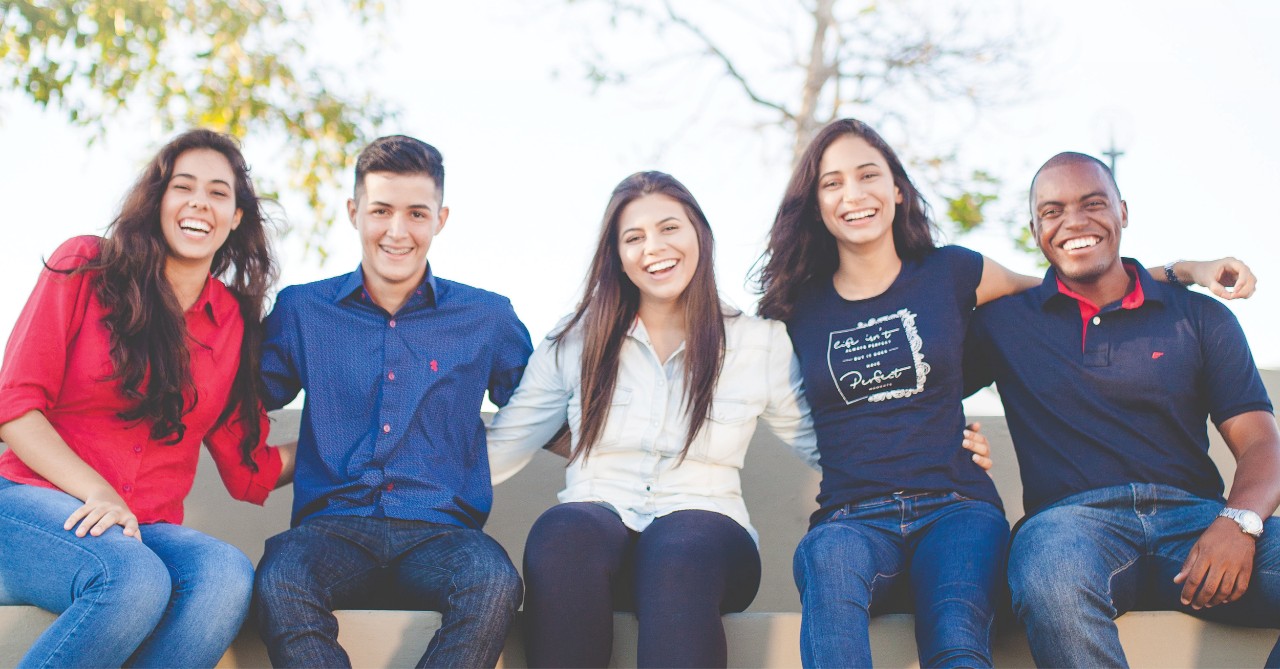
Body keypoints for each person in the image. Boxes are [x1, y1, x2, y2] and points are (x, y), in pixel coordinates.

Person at [753, 118, 1249, 668]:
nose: (854, 193)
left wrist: (1182, 270)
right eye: (832, 182)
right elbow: (776, 400)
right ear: (815, 202)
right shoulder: (795, 308)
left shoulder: (954, 271)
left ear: (897, 188)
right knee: (827, 561)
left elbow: (1070, 284)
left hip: (956, 506)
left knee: (958, 638)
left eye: (868, 174)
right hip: (851, 516)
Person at [485, 170, 995, 668]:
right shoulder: (575, 341)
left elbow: (833, 442)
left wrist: (937, 442)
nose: (653, 248)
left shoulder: (757, 342)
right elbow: (502, 446)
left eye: (669, 228)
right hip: (598, 532)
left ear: (699, 236)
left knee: (677, 548)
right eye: (633, 238)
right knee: (563, 532)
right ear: (617, 257)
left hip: (708, 537)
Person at [964, 151, 1280, 667]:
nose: (1073, 221)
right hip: (1071, 526)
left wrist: (1238, 523)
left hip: (1197, 521)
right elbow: (916, 394)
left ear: (1123, 212)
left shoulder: (1200, 316)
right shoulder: (1002, 324)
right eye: (1052, 211)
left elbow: (1262, 442)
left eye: (1093, 203)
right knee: (1051, 579)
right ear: (1035, 228)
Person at [0, 129, 294, 667]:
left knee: (226, 576)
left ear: (235, 219)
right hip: (26, 503)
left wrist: (355, 439)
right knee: (132, 579)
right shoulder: (87, 265)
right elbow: (15, 408)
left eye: (218, 192)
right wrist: (100, 493)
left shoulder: (231, 322)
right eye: (183, 186)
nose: (199, 201)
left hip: (142, 529)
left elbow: (248, 468)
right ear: (159, 201)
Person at [252, 135, 533, 668]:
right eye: (381, 210)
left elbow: (546, 413)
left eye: (417, 213)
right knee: (279, 578)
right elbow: (233, 401)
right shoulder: (302, 310)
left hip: (443, 534)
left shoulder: (488, 317)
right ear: (354, 212)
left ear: (441, 218)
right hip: (330, 530)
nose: (397, 231)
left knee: (494, 582)